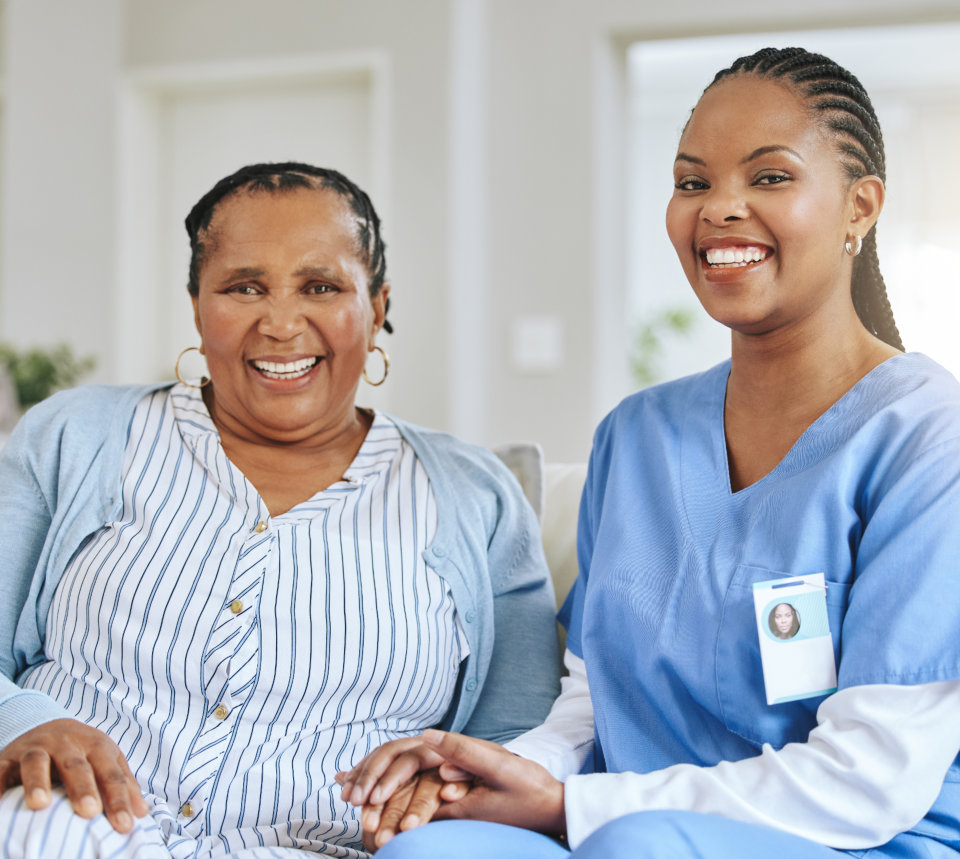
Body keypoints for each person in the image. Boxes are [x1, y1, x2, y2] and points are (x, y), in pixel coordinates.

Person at [339, 48, 960, 858]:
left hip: (850, 837)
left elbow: (867, 780)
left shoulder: (926, 436)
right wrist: (496, 773)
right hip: (615, 818)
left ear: (860, 207)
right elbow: (594, 698)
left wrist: (582, 807)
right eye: (693, 182)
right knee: (429, 849)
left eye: (769, 177)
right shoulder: (636, 436)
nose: (719, 209)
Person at [0, 162, 559, 858]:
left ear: (377, 307)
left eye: (320, 286)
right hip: (58, 830)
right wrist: (18, 718)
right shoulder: (76, 437)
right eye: (244, 287)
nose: (282, 321)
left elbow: (518, 735)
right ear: (198, 308)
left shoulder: (475, 495)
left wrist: (439, 786)